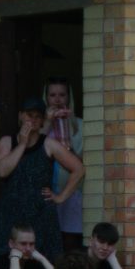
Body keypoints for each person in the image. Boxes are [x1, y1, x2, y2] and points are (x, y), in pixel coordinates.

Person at [0, 98, 77, 260]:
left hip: (42, 216)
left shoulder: (49, 144)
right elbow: (2, 171)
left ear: (43, 121)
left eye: (38, 116)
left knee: (46, 263)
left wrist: (60, 197)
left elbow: (78, 169)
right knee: (10, 261)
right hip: (12, 215)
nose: (33, 120)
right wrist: (22, 144)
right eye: (29, 115)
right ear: (20, 116)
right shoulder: (7, 142)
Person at [45, 80, 88, 250]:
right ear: (46, 98)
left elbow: (86, 160)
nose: (57, 100)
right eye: (52, 95)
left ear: (69, 98)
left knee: (70, 241)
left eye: (62, 95)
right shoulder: (41, 125)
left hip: (72, 191)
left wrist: (68, 145)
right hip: (47, 191)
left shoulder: (81, 125)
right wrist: (47, 122)